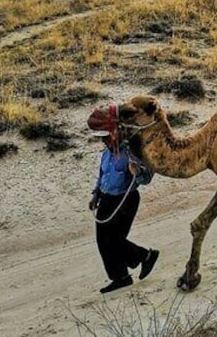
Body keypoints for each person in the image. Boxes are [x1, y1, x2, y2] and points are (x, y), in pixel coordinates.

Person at [88, 105, 158, 294]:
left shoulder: (132, 152)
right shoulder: (107, 153)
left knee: (115, 240)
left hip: (125, 200)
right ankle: (121, 277)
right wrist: (95, 194)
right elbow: (102, 174)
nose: (102, 140)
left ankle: (146, 256)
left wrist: (137, 171)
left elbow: (146, 178)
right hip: (106, 199)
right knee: (102, 241)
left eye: (105, 135)